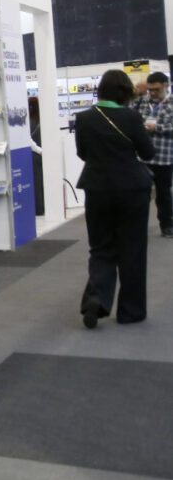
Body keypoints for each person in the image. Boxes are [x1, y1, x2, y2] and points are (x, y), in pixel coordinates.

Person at [75, 69, 154, 328]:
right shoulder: (131, 117)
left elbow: (83, 153)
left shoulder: (84, 118)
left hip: (97, 189)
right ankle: (130, 311)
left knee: (100, 247)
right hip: (132, 189)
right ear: (125, 91)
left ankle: (96, 300)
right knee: (133, 249)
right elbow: (148, 152)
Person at [128, 71, 173, 237]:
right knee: (140, 194)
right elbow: (127, 115)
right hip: (142, 157)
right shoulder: (142, 101)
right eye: (151, 89)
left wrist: (158, 128)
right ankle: (138, 227)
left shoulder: (171, 103)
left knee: (164, 194)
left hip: (164, 157)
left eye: (157, 89)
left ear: (166, 86)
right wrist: (136, 94)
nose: (153, 93)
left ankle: (167, 225)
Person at [28, 96, 45, 216]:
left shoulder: (29, 122)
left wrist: (39, 150)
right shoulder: (41, 121)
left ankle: (38, 209)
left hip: (34, 155)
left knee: (36, 184)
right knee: (41, 183)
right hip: (42, 156)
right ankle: (42, 207)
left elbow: (28, 141)